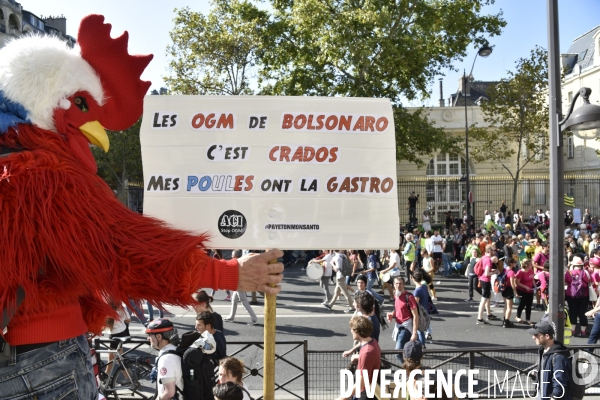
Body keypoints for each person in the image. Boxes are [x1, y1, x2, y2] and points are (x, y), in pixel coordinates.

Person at [336, 316, 381, 400]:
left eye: (352, 329)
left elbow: (360, 384)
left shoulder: (366, 352)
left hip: (364, 394)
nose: (351, 331)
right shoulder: (373, 341)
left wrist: (341, 399)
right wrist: (358, 356)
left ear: (357, 331)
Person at [528, 321, 572, 400]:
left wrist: (554, 397)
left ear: (547, 336)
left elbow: (559, 384)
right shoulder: (543, 351)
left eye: (536, 335)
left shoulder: (558, 357)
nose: (533, 337)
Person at [146, 319, 183, 400]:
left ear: (159, 337)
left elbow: (169, 393)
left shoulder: (166, 359)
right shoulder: (175, 349)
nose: (148, 338)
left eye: (150, 335)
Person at [387, 276, 419, 362]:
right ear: (393, 285)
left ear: (404, 284)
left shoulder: (409, 297)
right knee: (406, 351)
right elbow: (399, 307)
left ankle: (408, 369)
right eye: (396, 283)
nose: (398, 285)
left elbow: (416, 316)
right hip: (398, 326)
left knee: (398, 352)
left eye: (400, 283)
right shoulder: (396, 294)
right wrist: (392, 314)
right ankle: (413, 368)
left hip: (406, 327)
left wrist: (414, 333)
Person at [225, 250, 258, 325]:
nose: (231, 257)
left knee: (243, 301)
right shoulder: (239, 262)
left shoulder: (237, 263)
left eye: (232, 255)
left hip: (239, 285)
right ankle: (231, 316)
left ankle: (254, 318)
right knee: (234, 300)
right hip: (238, 285)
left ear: (236, 256)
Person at [565, 256, 591, 337]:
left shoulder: (568, 272)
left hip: (571, 295)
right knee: (582, 313)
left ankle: (573, 330)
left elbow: (565, 282)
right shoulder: (586, 272)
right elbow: (589, 282)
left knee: (572, 312)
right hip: (584, 295)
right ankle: (583, 331)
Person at [476, 245, 500, 325]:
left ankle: (489, 314)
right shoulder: (489, 260)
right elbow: (487, 273)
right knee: (484, 299)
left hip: (482, 279)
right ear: (489, 251)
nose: (495, 252)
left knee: (487, 297)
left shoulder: (483, 257)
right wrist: (495, 272)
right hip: (485, 280)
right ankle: (479, 318)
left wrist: (493, 270)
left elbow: (485, 269)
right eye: (493, 250)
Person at [105, 302, 131, 375]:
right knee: (112, 355)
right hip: (122, 332)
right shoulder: (121, 307)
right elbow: (129, 319)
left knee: (119, 357)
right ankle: (106, 374)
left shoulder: (107, 307)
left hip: (114, 334)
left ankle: (128, 377)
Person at [514, 259, 536, 326]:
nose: (532, 265)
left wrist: (535, 286)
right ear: (527, 265)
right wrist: (525, 287)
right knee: (522, 304)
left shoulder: (531, 271)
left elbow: (532, 279)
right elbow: (517, 282)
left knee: (529, 305)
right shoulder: (520, 272)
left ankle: (528, 319)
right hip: (522, 290)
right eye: (530, 264)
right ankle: (518, 317)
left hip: (530, 290)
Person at [412, 271, 431, 345]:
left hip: (420, 312)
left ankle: (422, 346)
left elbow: (416, 304)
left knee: (420, 331)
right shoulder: (424, 286)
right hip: (425, 309)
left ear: (413, 279)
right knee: (421, 330)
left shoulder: (417, 291)